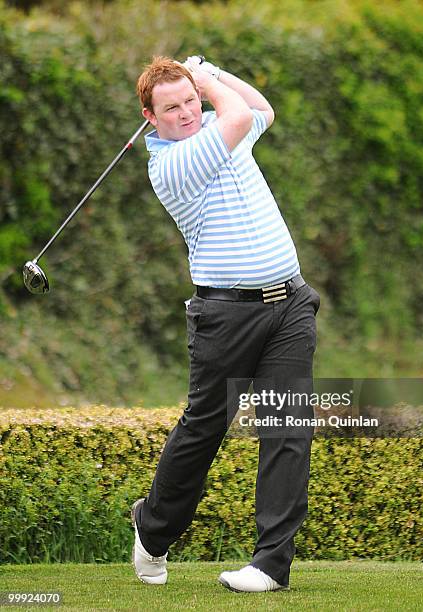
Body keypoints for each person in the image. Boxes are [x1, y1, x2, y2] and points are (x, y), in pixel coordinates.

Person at [132, 55, 320, 593]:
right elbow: (237, 117)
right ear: (150, 116)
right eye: (173, 107)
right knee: (205, 426)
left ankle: (270, 566)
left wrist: (211, 72)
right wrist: (209, 80)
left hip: (290, 303)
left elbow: (261, 110)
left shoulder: (216, 121)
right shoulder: (171, 165)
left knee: (288, 430)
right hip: (225, 315)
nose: (188, 112)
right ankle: (153, 528)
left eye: (190, 101)